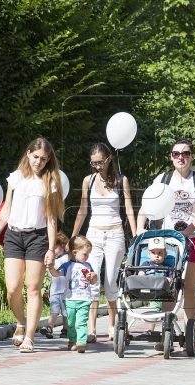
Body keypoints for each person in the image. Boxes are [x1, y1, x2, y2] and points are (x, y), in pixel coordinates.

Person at [0, 138, 64, 353]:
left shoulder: (50, 182)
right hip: (13, 235)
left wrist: (51, 249)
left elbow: (51, 219)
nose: (38, 162)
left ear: (48, 161)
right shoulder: (16, 178)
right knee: (12, 289)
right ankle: (20, 322)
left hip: (37, 238)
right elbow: (7, 209)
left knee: (33, 288)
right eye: (36, 157)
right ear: (28, 153)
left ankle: (29, 336)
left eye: (44, 159)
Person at [136, 138, 195, 352]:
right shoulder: (163, 179)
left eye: (185, 153)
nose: (181, 157)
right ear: (171, 156)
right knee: (168, 286)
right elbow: (148, 205)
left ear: (192, 156)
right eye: (176, 153)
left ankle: (188, 330)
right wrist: (140, 230)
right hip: (169, 241)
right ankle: (166, 330)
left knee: (188, 286)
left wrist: (187, 233)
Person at [72, 143, 137, 343]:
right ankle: (91, 329)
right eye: (94, 163)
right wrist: (73, 237)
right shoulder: (88, 180)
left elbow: (128, 209)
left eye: (101, 162)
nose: (97, 166)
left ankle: (112, 325)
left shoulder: (120, 180)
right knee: (92, 281)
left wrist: (135, 236)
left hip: (115, 234)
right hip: (94, 235)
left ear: (109, 159)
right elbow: (83, 209)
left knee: (110, 283)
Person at [48, 236, 98, 353]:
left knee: (81, 322)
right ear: (75, 252)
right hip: (69, 299)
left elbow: (94, 281)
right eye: (85, 254)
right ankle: (72, 340)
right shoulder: (67, 265)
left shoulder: (88, 266)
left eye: (88, 255)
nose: (87, 257)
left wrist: (93, 276)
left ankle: (81, 342)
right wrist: (51, 268)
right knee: (70, 323)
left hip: (84, 299)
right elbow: (57, 274)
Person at [40, 232, 70, 339]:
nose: (53, 250)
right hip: (54, 292)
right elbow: (52, 279)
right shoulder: (53, 261)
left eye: (55, 247)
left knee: (65, 313)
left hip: (65, 292)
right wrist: (49, 290)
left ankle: (66, 329)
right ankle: (49, 328)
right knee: (54, 311)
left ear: (63, 246)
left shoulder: (66, 258)